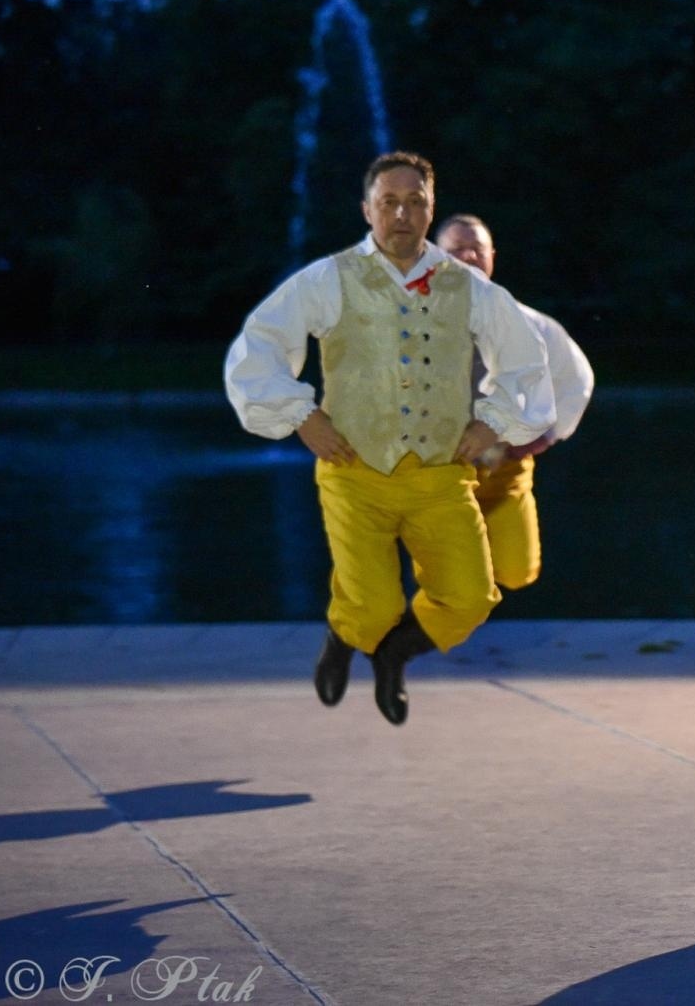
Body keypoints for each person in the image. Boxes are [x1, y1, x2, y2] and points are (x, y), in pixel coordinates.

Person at [225, 152, 557, 726]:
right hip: (355, 471)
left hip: (441, 475)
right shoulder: (329, 279)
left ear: (430, 209)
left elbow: (527, 362)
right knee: (374, 603)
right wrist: (302, 416)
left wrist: (494, 420)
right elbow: (256, 348)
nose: (401, 213)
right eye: (389, 202)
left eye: (415, 201)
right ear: (367, 209)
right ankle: (343, 636)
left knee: (470, 598)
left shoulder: (469, 288)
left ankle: (393, 654)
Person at [434, 213, 594, 594]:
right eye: (458, 249)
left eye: (478, 248)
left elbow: (577, 379)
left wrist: (544, 437)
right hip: (439, 473)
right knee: (455, 578)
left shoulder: (530, 322)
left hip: (505, 466)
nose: (469, 256)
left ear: (492, 256)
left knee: (518, 571)